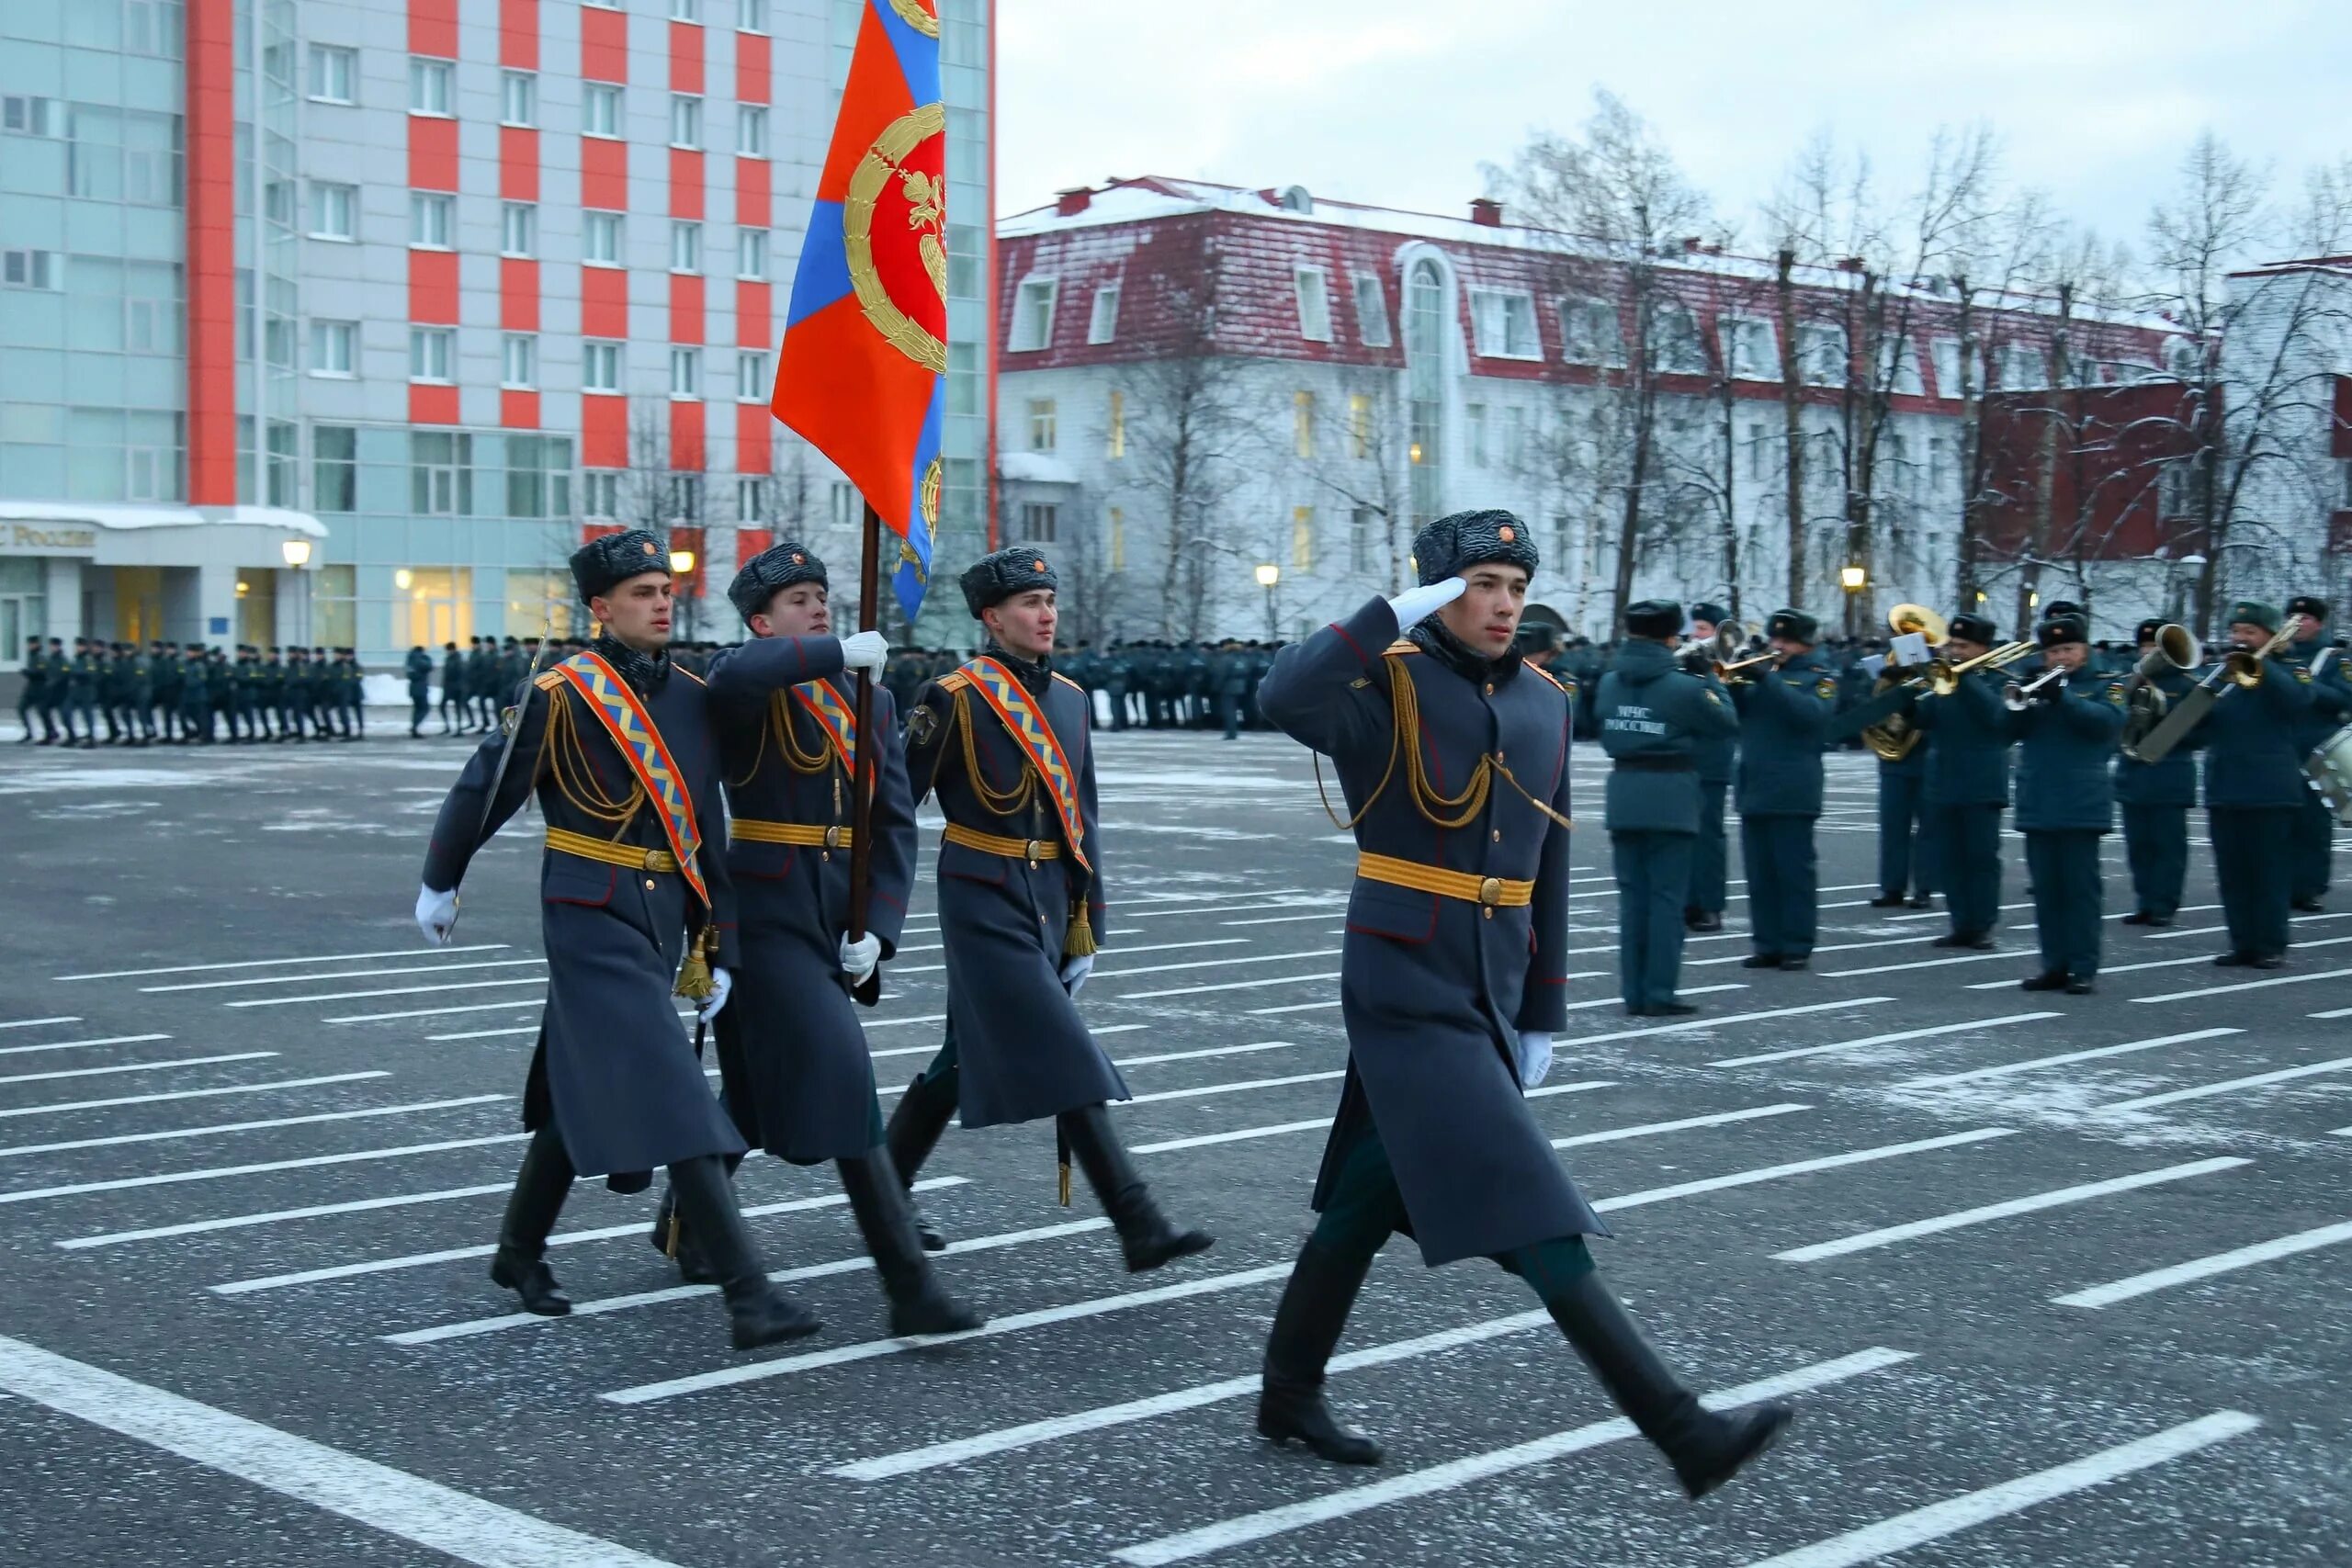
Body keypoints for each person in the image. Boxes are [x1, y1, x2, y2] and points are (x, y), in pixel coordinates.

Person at [1248, 510, 1790, 1495]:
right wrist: (1384, 617)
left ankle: (1287, 1392)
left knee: (1369, 1196)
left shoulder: (1546, 698)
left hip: (1490, 976)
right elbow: (1283, 694)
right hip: (1402, 973)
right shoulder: (1387, 679)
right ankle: (1682, 1430)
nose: (1502, 605)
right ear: (1435, 593)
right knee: (1530, 1205)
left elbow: (1547, 854)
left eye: (1513, 586)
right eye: (1480, 584)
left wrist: (1543, 1005)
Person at [415, 528, 819, 1348]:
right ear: (600, 609)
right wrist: (441, 878)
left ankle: (517, 1250)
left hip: (663, 913)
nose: (661, 602)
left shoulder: (694, 690)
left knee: (582, 1088)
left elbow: (705, 823)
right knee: (673, 1086)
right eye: (641, 593)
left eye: (665, 590)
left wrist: (719, 938)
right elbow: (482, 788)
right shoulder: (564, 694)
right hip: (587, 909)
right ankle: (749, 1293)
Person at [660, 540, 981, 1337]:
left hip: (833, 912)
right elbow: (737, 676)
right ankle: (909, 1284)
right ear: (764, 620)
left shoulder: (866, 694)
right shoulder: (748, 681)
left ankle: (686, 1221)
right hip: (763, 909)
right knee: (842, 1076)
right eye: (798, 601)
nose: (819, 606)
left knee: (760, 1087)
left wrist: (880, 926)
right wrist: (831, 651)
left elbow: (893, 817)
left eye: (822, 595)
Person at [885, 547, 1214, 1275]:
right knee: (1062, 1046)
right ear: (992, 617)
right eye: (1029, 604)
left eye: (1050, 601)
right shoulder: (954, 698)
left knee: (960, 1058)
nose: (1045, 615)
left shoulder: (1068, 696)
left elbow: (1082, 816)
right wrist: (868, 914)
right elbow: (894, 809)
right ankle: (1138, 1218)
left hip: (1044, 900)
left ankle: (884, 1188)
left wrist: (1085, 917)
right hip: (980, 894)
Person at [1600, 600, 1738, 1015]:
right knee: (1666, 900)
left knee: (1631, 899)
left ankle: (1633, 994)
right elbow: (1726, 722)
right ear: (1670, 636)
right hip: (1672, 798)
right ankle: (1658, 992)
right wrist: (1708, 678)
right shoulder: (1685, 686)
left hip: (1623, 793)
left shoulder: (1609, 682)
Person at [2182, 602, 2314, 967]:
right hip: (2225, 787)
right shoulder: (2223, 678)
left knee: (2267, 873)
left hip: (2269, 790)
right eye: (2236, 632)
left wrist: (2263, 666)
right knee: (2233, 874)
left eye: (2249, 633)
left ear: (2270, 637)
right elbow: (2200, 730)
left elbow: (2300, 702)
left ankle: (2270, 945)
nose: (2239, 639)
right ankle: (2242, 943)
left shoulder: (2290, 670)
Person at [2006, 615, 2126, 993]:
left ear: (2085, 650)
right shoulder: (2035, 684)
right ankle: (2053, 964)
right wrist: (2022, 699)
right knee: (2046, 890)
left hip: (2081, 802)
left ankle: (2083, 967)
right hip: (2038, 799)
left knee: (2080, 890)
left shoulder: (2108, 683)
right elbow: (2002, 728)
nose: (2061, 656)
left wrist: (2065, 697)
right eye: (2054, 651)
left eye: (2069, 649)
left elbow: (2106, 724)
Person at [1730, 609, 1836, 969]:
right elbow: (1731, 715)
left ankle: (1796, 944)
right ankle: (1766, 943)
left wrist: (1768, 681)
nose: (1777, 646)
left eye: (1786, 641)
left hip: (1794, 787)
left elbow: (1812, 717)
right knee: (1759, 874)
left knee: (1793, 873)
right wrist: (1729, 680)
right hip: (1754, 783)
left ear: (1806, 644)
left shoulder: (1820, 677)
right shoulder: (1763, 676)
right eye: (1775, 639)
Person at [1910, 613, 2011, 950]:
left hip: (1982, 782)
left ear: (1982, 647)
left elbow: (1997, 716)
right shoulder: (1944, 679)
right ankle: (1960, 923)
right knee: (1950, 857)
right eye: (1952, 643)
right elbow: (1927, 718)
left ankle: (1981, 925)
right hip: (1944, 780)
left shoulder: (1998, 679)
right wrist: (1905, 701)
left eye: (1963, 645)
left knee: (1980, 858)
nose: (1954, 650)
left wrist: (1963, 677)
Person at [2117, 619, 2197, 927]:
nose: (2151, 653)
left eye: (2157, 647)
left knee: (2167, 847)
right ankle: (2145, 902)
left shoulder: (2188, 686)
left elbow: (2200, 731)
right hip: (2133, 775)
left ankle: (2164, 904)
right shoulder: (2129, 682)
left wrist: (2165, 729)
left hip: (2169, 774)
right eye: (2147, 647)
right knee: (2139, 846)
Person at [2279, 598, 2351, 911]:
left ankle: (2308, 887)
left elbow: (2345, 697)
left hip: (2317, 749)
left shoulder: (2335, 658)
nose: (2299, 623)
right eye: (2293, 617)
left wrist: (2307, 683)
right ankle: (2279, 883)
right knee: (2279, 822)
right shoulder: (2278, 654)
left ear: (2319, 623)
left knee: (2312, 824)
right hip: (2280, 748)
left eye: (2306, 618)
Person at [1682, 602, 1736, 933]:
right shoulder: (1689, 663)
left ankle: (1710, 905)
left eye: (1701, 629)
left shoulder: (1729, 663)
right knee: (1683, 837)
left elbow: (1728, 714)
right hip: (1683, 759)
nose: (1694, 634)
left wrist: (1706, 674)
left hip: (1712, 760)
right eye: (1695, 627)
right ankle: (1688, 901)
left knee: (1708, 838)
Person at [16, 637, 47, 743]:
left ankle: (49, 732)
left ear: (37, 644)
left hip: (39, 689)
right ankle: (29, 732)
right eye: (30, 644)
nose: (30, 646)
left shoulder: (40, 657)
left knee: (42, 712)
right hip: (30, 689)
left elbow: (41, 672)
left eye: (33, 644)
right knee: (21, 708)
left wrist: (29, 673)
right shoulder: (31, 657)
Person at [439, 640, 469, 734]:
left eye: (448, 650)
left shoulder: (457, 659)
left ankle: (458, 728)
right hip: (449, 687)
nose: (447, 652)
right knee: (442, 706)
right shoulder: (449, 658)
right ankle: (448, 726)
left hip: (456, 687)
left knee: (457, 707)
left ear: (451, 650)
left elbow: (458, 673)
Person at [405, 645, 433, 738]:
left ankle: (414, 728)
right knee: (425, 708)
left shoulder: (410, 660)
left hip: (413, 688)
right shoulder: (419, 660)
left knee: (417, 709)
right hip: (420, 688)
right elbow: (429, 667)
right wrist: (427, 658)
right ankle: (414, 727)